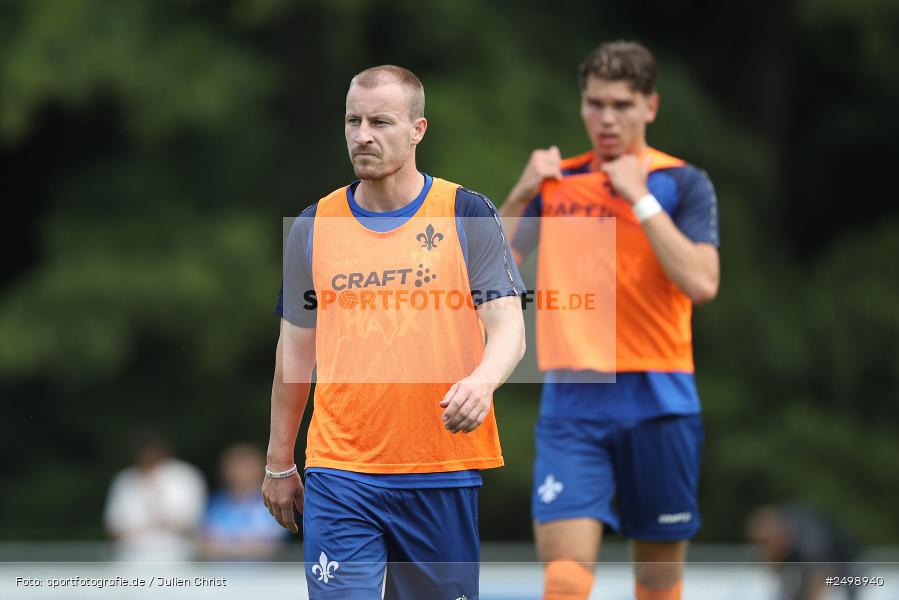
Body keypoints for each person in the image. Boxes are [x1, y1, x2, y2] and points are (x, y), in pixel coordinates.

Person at [264, 65, 526, 599]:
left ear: (417, 130)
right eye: (353, 121)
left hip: (440, 468)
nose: (363, 135)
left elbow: (509, 330)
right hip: (340, 472)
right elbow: (294, 354)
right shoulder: (315, 226)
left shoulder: (465, 213)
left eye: (380, 121)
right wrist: (278, 462)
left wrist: (482, 382)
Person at [501, 41, 720, 600]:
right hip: (574, 398)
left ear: (650, 106)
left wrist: (640, 201)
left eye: (621, 105)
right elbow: (483, 273)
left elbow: (702, 282)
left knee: (657, 581)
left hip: (660, 397)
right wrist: (522, 192)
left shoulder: (681, 183)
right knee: (566, 580)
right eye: (594, 103)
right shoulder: (558, 181)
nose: (605, 118)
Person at [104, 430, 207, 562]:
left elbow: (193, 522)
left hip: (175, 559)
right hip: (131, 559)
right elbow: (113, 525)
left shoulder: (184, 476)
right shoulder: (126, 479)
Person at [747, 504, 861, 600]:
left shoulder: (811, 540)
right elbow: (778, 568)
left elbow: (822, 575)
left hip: (848, 560)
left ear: (777, 535)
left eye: (767, 543)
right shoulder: (782, 527)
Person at [201, 444, 288, 560]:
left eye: (246, 466)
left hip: (264, 575)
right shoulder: (217, 503)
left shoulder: (271, 502)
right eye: (236, 465)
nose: (241, 471)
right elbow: (205, 545)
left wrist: (226, 548)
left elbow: (272, 547)